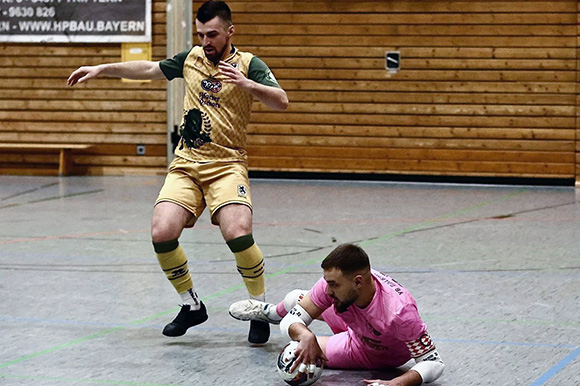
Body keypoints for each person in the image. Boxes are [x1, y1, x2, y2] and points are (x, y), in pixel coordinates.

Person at [67, 0, 288, 345]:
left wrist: (249, 86)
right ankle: (191, 304)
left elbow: (281, 101)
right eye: (200, 34)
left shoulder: (249, 64)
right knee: (161, 231)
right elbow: (148, 69)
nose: (206, 41)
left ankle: (257, 308)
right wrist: (102, 68)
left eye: (212, 34)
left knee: (238, 231)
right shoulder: (191, 59)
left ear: (230, 31)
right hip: (186, 164)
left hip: (226, 164)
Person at [229, 244, 445, 385]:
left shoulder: (399, 312)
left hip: (371, 351)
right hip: (354, 320)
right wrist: (305, 335)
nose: (328, 289)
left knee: (298, 356)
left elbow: (433, 362)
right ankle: (270, 313)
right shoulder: (337, 288)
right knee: (296, 298)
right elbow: (293, 321)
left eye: (333, 284)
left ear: (358, 281)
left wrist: (398, 383)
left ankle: (324, 339)